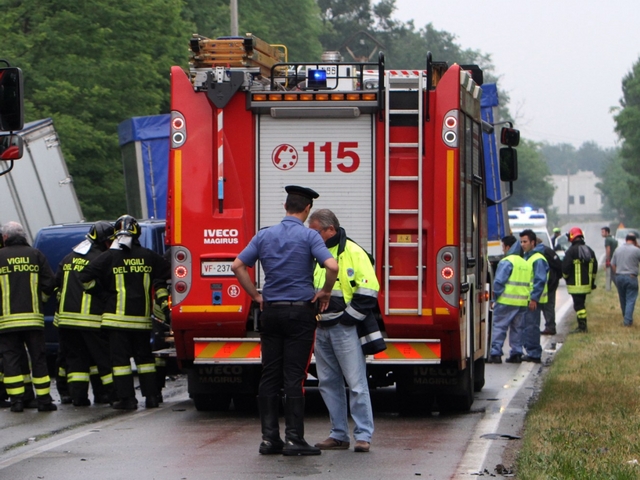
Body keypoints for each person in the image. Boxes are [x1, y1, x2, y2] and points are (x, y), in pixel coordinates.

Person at [232, 185, 339, 456]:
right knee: (294, 376)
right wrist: (325, 291)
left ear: (285, 207)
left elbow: (237, 266)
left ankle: (269, 440)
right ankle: (294, 439)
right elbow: (332, 266)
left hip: (271, 312)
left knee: (269, 374)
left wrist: (256, 295)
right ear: (307, 209)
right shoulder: (309, 236)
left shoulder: (264, 235)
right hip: (300, 314)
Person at [308, 209, 384, 454]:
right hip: (322, 326)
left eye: (315, 231)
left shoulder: (353, 252)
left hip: (343, 327)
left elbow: (370, 288)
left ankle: (363, 436)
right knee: (328, 383)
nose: (311, 235)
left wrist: (348, 319)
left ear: (329, 230)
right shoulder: (316, 253)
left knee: (356, 383)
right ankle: (339, 434)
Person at [78, 215, 171, 410]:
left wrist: (103, 295)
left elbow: (84, 278)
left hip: (116, 321)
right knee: (145, 360)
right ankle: (152, 397)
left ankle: (127, 400)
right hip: (142, 321)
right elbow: (167, 273)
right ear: (137, 233)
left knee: (120, 363)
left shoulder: (108, 257)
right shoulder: (149, 256)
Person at [55, 221, 116, 406]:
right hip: (91, 320)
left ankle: (79, 398)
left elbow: (58, 286)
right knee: (103, 360)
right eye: (109, 241)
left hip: (66, 322)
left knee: (76, 362)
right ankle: (112, 395)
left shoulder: (67, 258)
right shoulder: (102, 260)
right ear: (103, 241)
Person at [0, 221, 57, 412]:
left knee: (11, 359)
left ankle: (17, 401)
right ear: (22, 235)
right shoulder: (35, 255)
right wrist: (39, 300)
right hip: (33, 319)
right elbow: (50, 282)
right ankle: (43, 400)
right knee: (38, 358)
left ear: (5, 237)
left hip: (6, 321)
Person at [486, 236, 530, 364]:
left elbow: (499, 282)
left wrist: (494, 298)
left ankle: (495, 353)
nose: (502, 250)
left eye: (503, 247)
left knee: (499, 327)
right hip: (521, 302)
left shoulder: (506, 262)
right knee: (517, 329)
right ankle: (516, 353)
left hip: (506, 301)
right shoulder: (525, 263)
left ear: (508, 247)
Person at [519, 229, 548, 363]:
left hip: (533, 300)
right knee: (527, 326)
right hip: (528, 299)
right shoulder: (528, 257)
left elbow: (539, 280)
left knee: (531, 327)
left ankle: (534, 353)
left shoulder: (537, 259)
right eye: (521, 242)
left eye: (525, 242)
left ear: (533, 242)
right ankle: (531, 351)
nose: (522, 244)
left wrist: (534, 298)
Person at [562, 227, 598, 333]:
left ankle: (582, 327)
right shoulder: (589, 250)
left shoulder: (571, 251)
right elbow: (594, 268)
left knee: (579, 306)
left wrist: (566, 277)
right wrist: (592, 282)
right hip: (586, 284)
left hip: (575, 286)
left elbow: (565, 268)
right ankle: (582, 325)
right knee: (581, 304)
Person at [611, 234, 640, 326]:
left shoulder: (618, 249)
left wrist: (617, 273)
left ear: (626, 239)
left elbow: (613, 264)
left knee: (622, 298)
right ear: (635, 241)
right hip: (631, 276)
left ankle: (627, 318)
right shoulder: (636, 250)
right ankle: (627, 321)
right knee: (630, 299)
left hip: (619, 276)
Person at [537, 237, 563, 335]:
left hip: (549, 284)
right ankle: (549, 326)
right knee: (545, 306)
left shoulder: (545, 251)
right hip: (548, 283)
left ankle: (550, 327)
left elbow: (558, 265)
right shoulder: (543, 251)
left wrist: (555, 278)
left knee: (547, 306)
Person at [601, 227, 618, 291]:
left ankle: (608, 288)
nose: (601, 233)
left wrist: (607, 260)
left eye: (603, 232)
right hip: (615, 258)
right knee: (613, 273)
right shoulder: (613, 239)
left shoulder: (607, 240)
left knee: (610, 274)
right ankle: (608, 288)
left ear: (607, 232)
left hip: (610, 259)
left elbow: (608, 250)